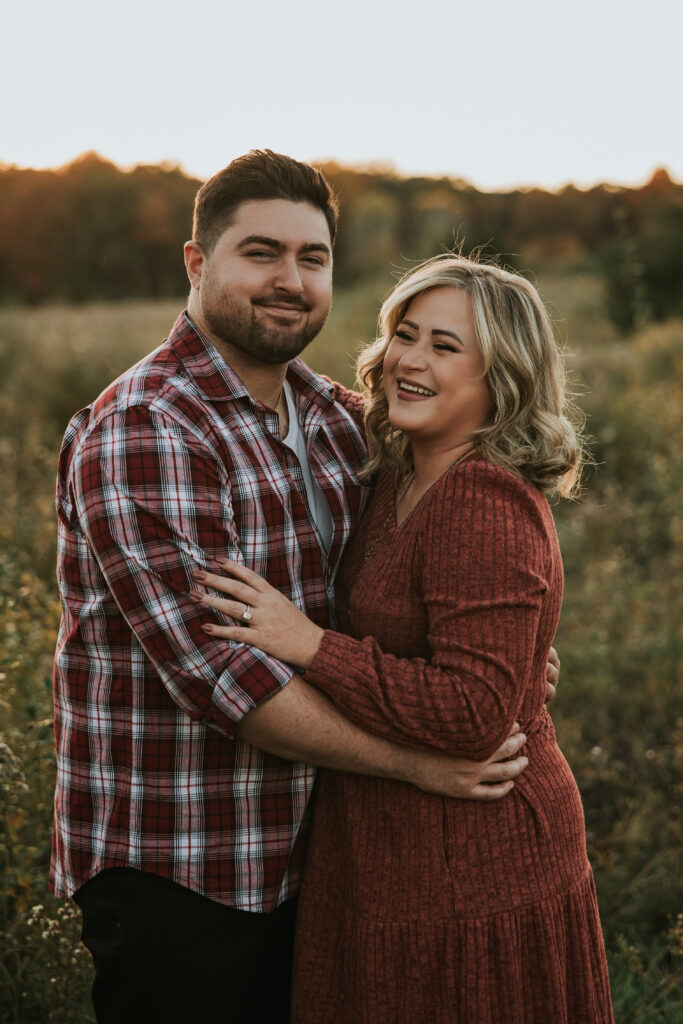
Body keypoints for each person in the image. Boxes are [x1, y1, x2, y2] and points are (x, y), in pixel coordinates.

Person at [51, 152, 558, 1024]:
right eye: (261, 253)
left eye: (312, 258)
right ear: (197, 263)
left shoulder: (330, 418)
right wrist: (421, 765)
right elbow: (232, 686)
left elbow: (438, 574)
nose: (290, 281)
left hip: (327, 856)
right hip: (190, 865)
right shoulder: (147, 430)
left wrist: (508, 661)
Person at [194, 255, 614, 1023]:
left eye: (444, 346)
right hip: (386, 847)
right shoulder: (395, 471)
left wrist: (310, 643)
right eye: (404, 335)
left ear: (502, 378)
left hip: (472, 858)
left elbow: (473, 714)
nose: (408, 361)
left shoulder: (480, 499)